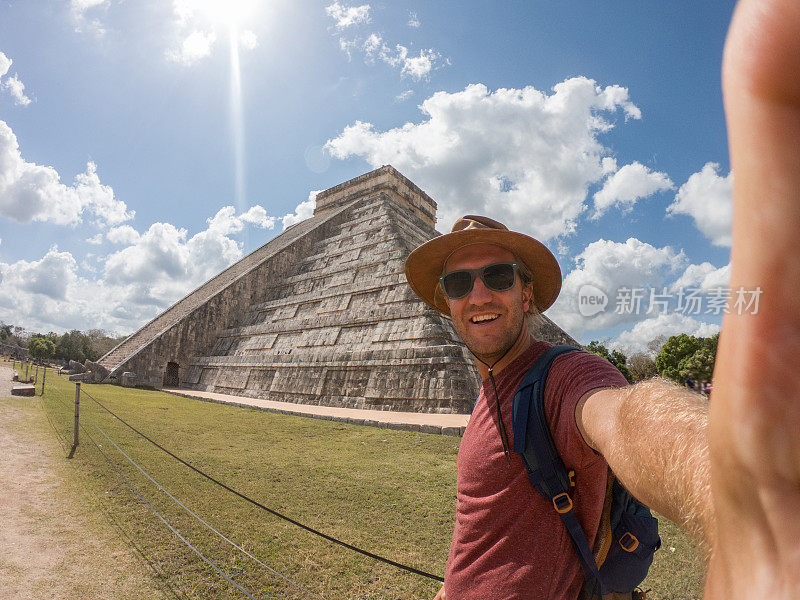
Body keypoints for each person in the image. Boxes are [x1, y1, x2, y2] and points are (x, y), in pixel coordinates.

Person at [405, 1, 800, 597]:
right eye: (459, 283)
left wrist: (740, 502)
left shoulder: (563, 377)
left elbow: (625, 418)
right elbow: (480, 544)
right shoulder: (491, 391)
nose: (479, 293)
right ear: (447, 302)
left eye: (498, 276)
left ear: (528, 292)